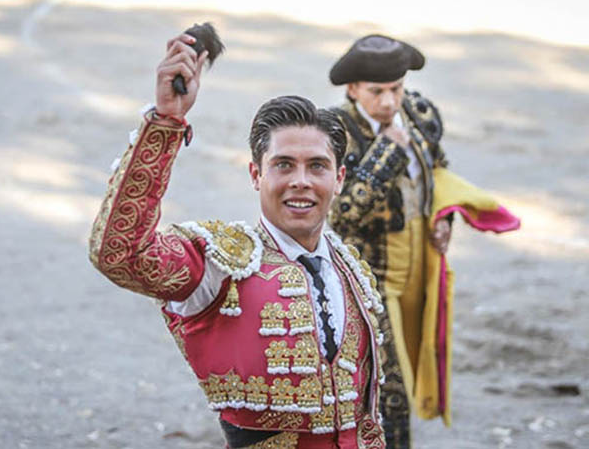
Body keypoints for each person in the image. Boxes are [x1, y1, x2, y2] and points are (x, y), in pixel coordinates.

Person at [88, 32, 410, 448]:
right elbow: (120, 254)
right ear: (256, 174)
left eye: (317, 166)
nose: (300, 181)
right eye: (283, 165)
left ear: (339, 178)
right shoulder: (221, 263)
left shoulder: (351, 269)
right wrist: (165, 123)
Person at [327, 34, 520, 427]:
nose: (388, 101)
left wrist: (444, 220)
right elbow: (341, 213)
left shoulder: (418, 113)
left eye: (396, 89)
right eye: (376, 91)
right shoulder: (335, 131)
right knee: (384, 385)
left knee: (420, 356)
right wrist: (388, 152)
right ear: (353, 89)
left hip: (421, 260)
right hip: (371, 274)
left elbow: (438, 171)